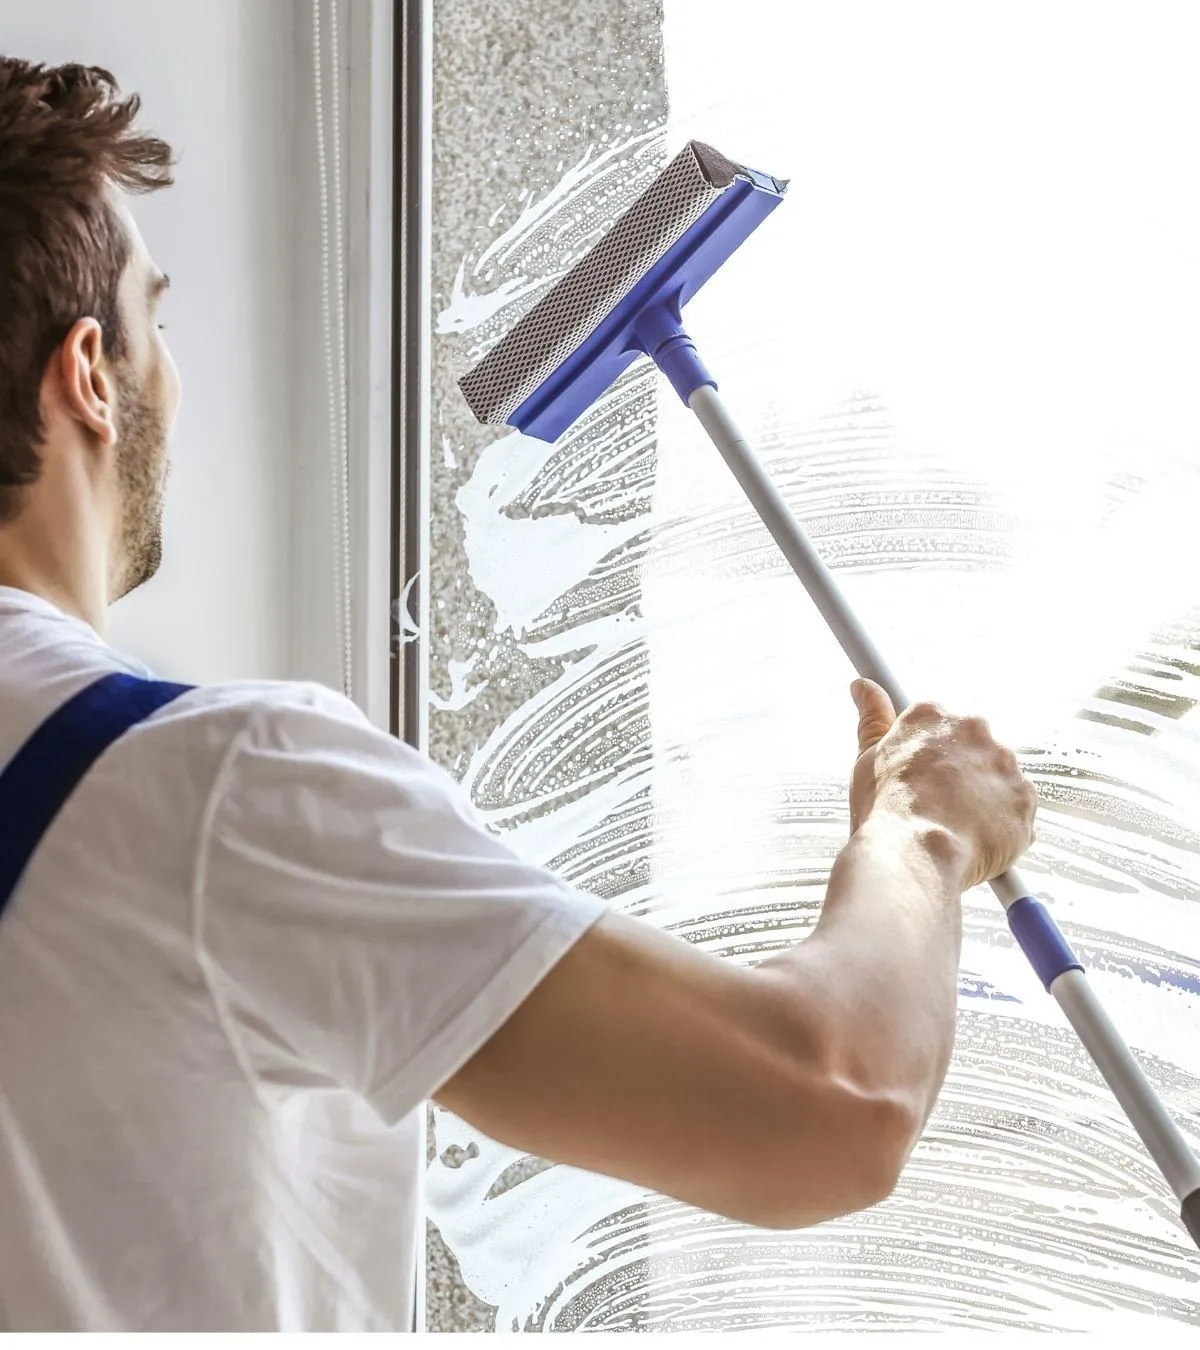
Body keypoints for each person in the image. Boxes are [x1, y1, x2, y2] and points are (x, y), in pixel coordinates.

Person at [0, 58, 1036, 1332]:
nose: (176, 375)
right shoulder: (208, 790)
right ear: (92, 372)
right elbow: (830, 1104)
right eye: (159, 320)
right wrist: (926, 831)